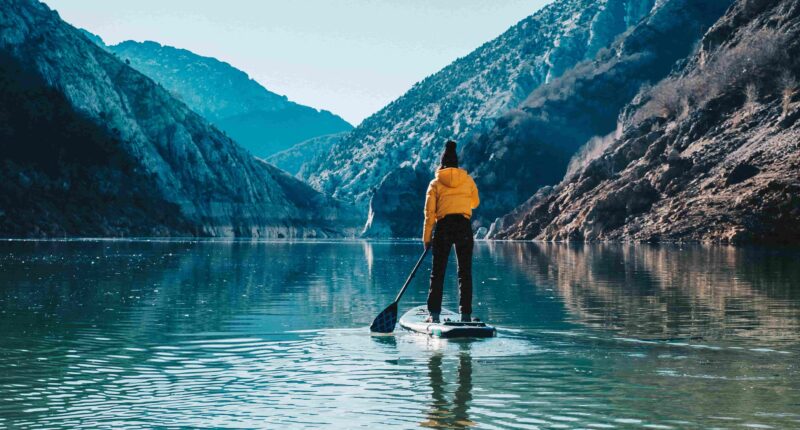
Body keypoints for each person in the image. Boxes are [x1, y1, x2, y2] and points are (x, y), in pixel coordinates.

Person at [422, 140, 480, 323]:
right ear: (457, 163)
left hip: (444, 226)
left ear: (442, 163)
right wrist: (462, 202)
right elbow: (475, 203)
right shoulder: (468, 180)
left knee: (438, 272)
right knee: (465, 272)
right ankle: (466, 315)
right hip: (463, 225)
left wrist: (426, 238)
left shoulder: (435, 183)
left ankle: (434, 315)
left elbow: (429, 213)